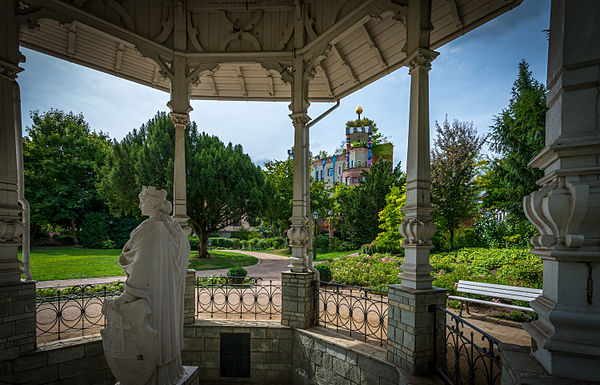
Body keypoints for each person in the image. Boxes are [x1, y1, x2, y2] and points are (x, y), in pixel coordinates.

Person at [102, 186, 190, 385]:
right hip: (166, 297)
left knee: (153, 334)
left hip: (152, 298)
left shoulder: (154, 229)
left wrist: (127, 296)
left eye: (142, 202)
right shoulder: (173, 228)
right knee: (161, 335)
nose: (139, 205)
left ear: (152, 204)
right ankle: (167, 372)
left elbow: (142, 268)